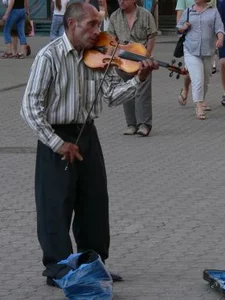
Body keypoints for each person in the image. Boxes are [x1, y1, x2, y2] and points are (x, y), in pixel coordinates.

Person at [20, 2, 158, 287]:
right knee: (55, 206)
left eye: (99, 25)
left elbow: (110, 96)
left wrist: (137, 80)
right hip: (56, 136)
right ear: (72, 25)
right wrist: (58, 144)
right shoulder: (49, 56)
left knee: (93, 202)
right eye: (92, 25)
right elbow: (29, 108)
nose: (99, 31)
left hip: (87, 135)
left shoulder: (95, 56)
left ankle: (92, 263)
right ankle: (59, 269)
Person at [108, 0, 157, 136]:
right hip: (123, 60)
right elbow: (111, 39)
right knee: (127, 90)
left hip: (142, 59)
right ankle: (131, 124)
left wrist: (147, 55)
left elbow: (152, 36)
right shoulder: (114, 16)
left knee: (143, 92)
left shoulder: (146, 15)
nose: (121, 1)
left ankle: (144, 124)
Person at [177, 0, 224, 120]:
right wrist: (183, 27)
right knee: (198, 78)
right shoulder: (188, 11)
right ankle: (198, 105)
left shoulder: (213, 11)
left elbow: (219, 28)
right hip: (191, 49)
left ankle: (201, 99)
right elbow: (178, 28)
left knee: (205, 80)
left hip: (208, 51)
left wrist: (220, 39)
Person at [175, 0, 195, 106]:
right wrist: (182, 29)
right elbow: (179, 19)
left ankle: (201, 99)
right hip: (190, 41)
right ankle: (186, 89)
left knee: (205, 72)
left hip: (206, 42)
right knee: (190, 70)